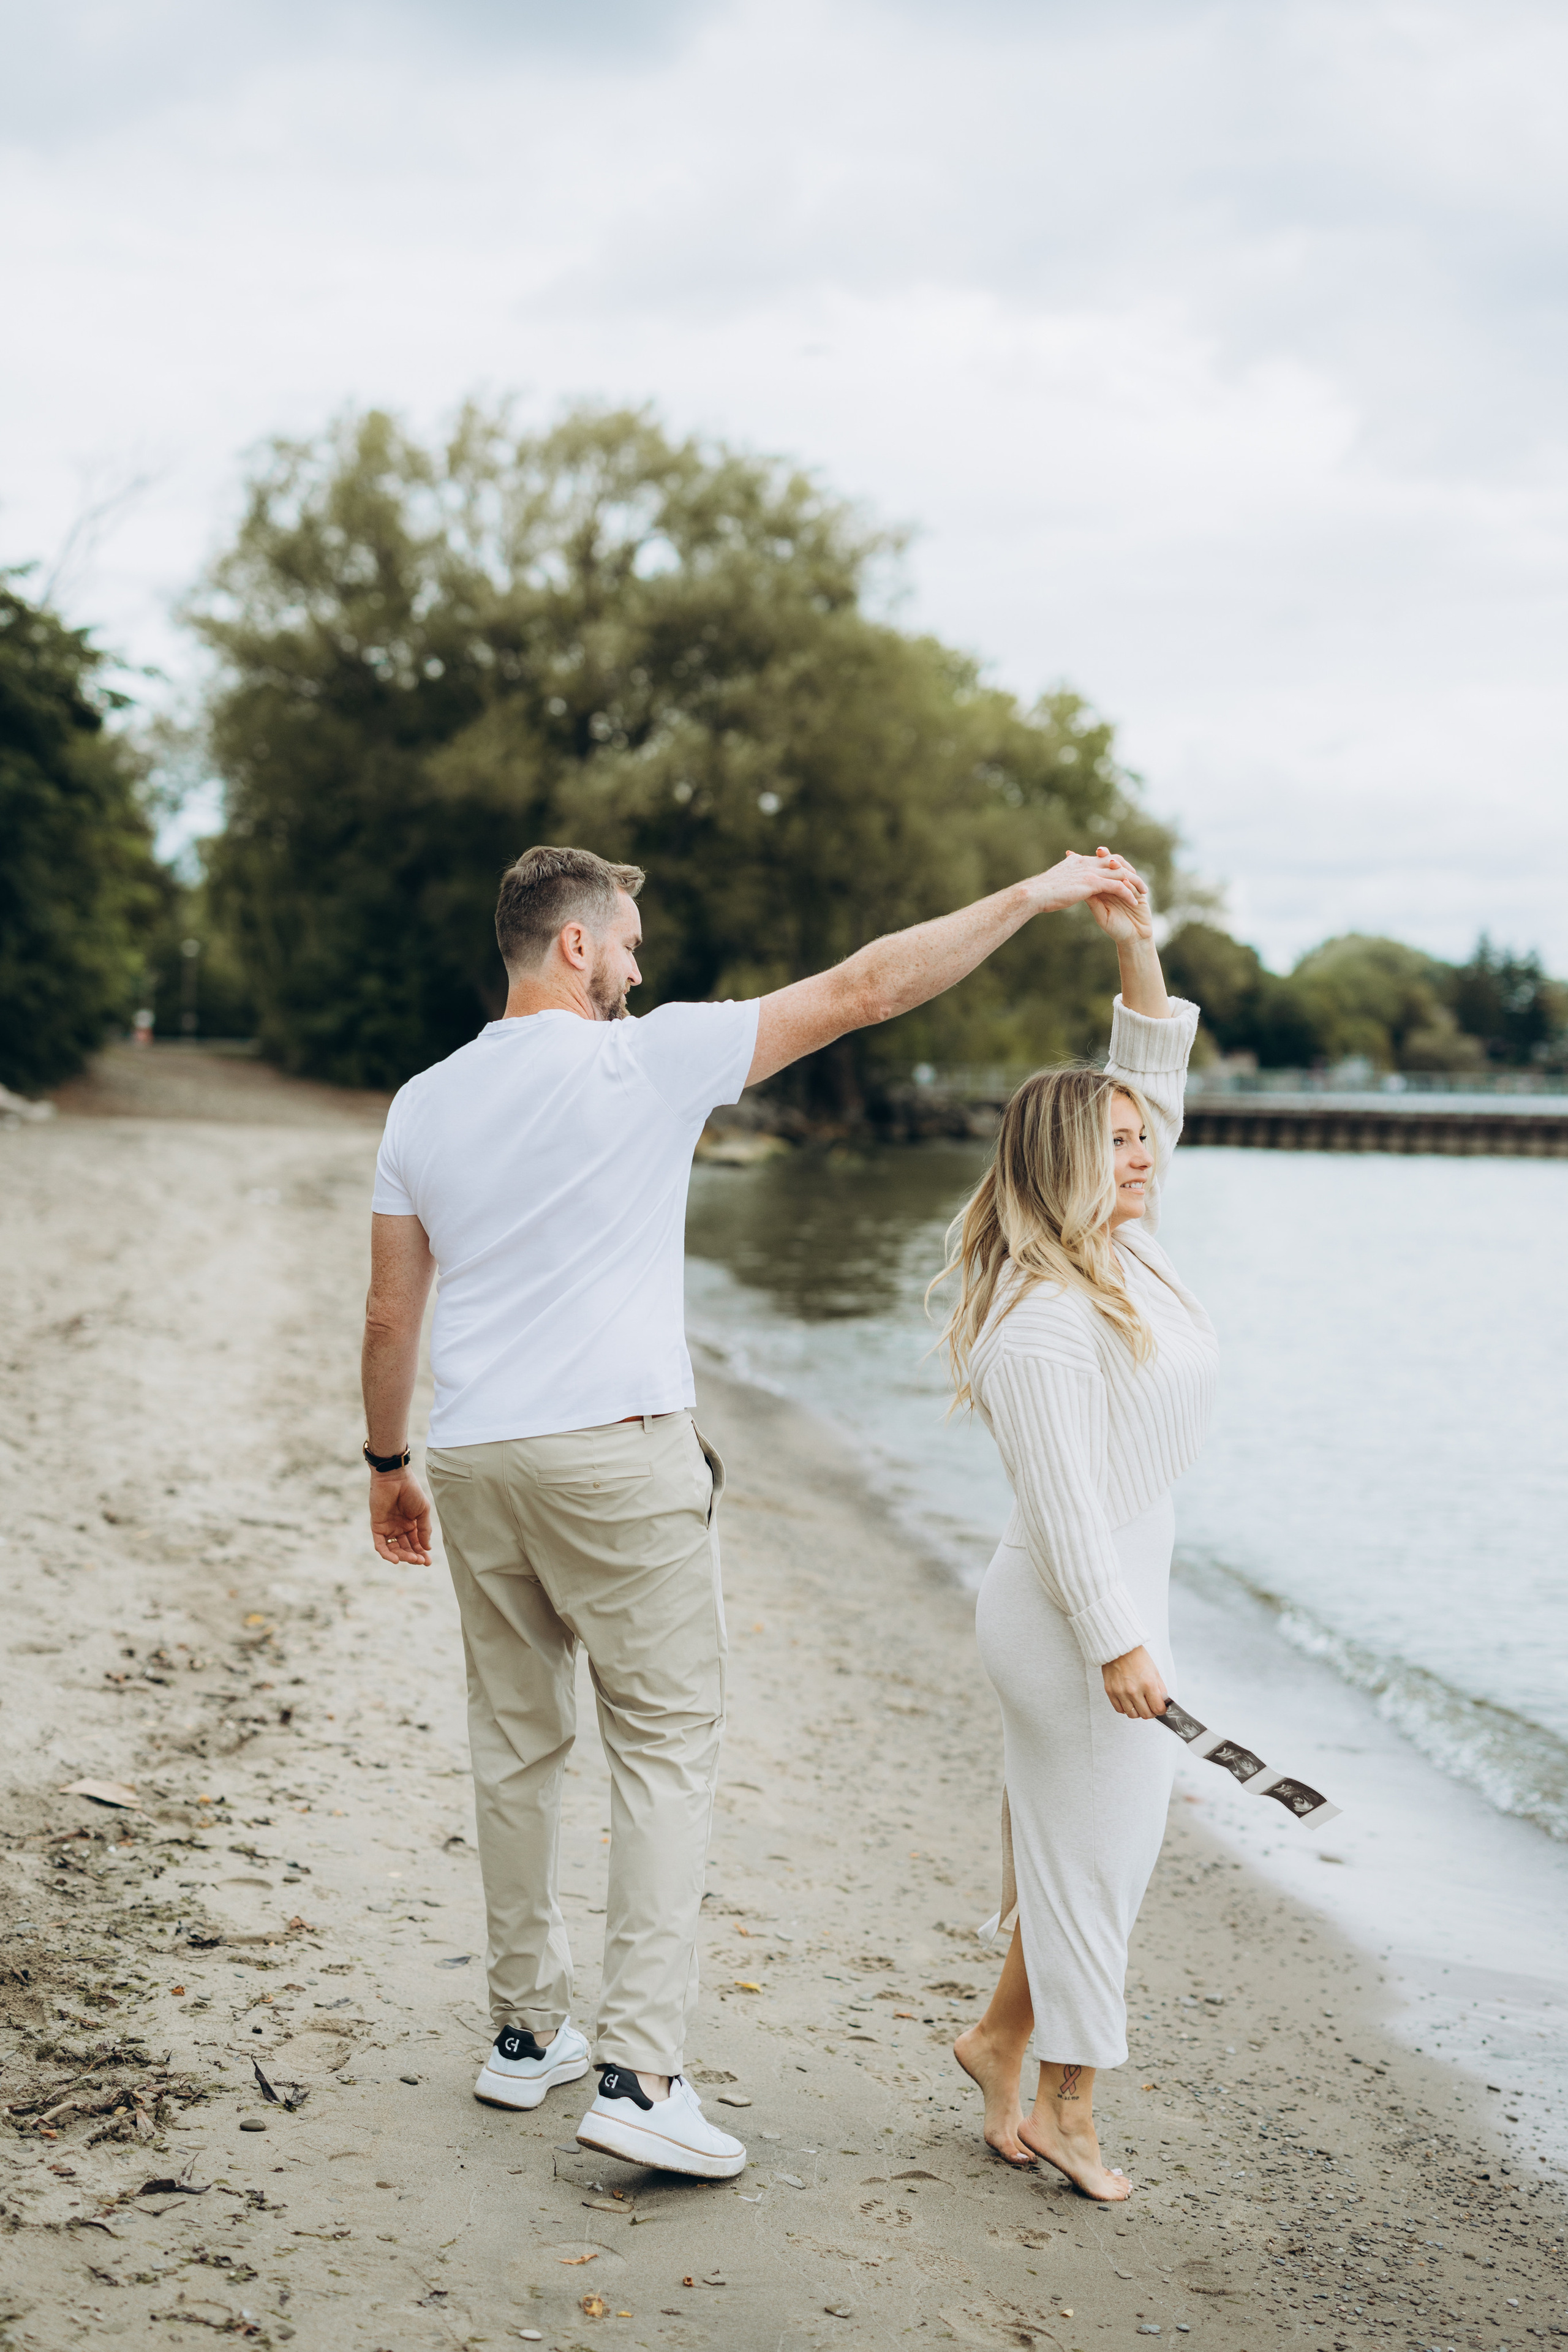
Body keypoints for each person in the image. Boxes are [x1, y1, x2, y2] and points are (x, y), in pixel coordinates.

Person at [360, 838, 1145, 2182]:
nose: (637, 965)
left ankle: (518, 2035)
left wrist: (386, 1464)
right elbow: (865, 990)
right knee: (664, 1747)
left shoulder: (421, 1102)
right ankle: (639, 2074)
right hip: (614, 1454)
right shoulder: (639, 1058)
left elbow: (390, 1308)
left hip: (478, 1453)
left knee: (516, 1746)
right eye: (624, 942)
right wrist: (1025, 895)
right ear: (573, 947)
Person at [933, 870, 1215, 2201]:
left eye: (1141, 1139)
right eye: (1114, 1144)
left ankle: (999, 2041)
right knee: (1101, 1862)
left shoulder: (1126, 1254)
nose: (1142, 1151)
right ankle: (1068, 2109)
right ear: (1062, 1165)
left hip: (1111, 1594)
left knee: (1084, 1848)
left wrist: (1132, 947)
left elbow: (1150, 1072)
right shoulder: (1043, 1318)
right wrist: (1115, 1643)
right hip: (1066, 1613)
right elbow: (1057, 1513)